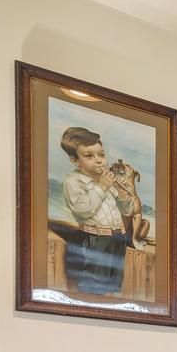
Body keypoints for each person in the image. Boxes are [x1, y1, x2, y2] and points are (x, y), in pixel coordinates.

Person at [57, 126, 128, 295]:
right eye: (89, 156)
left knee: (113, 284)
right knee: (93, 285)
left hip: (118, 238)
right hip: (95, 239)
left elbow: (123, 210)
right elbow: (82, 210)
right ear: (75, 161)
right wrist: (102, 186)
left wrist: (124, 195)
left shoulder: (105, 179)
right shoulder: (73, 181)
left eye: (101, 155)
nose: (99, 161)